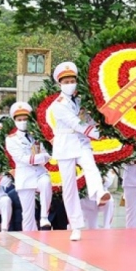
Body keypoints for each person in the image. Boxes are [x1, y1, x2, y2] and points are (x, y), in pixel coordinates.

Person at [49, 61, 110, 241]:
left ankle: (99, 193)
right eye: (66, 81)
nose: (70, 84)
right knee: (69, 187)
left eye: (72, 80)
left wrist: (102, 130)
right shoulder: (58, 104)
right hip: (66, 143)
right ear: (60, 84)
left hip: (81, 142)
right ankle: (75, 225)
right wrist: (96, 134)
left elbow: (88, 119)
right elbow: (75, 123)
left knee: (90, 166)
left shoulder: (81, 100)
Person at [4, 102, 53, 232]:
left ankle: (44, 217)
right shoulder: (11, 139)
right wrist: (42, 157)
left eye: (25, 119)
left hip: (39, 172)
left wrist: (44, 156)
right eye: (19, 119)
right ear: (14, 121)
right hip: (25, 176)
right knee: (27, 214)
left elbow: (47, 151)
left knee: (46, 182)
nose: (23, 122)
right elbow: (22, 159)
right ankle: (29, 238)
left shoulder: (36, 134)